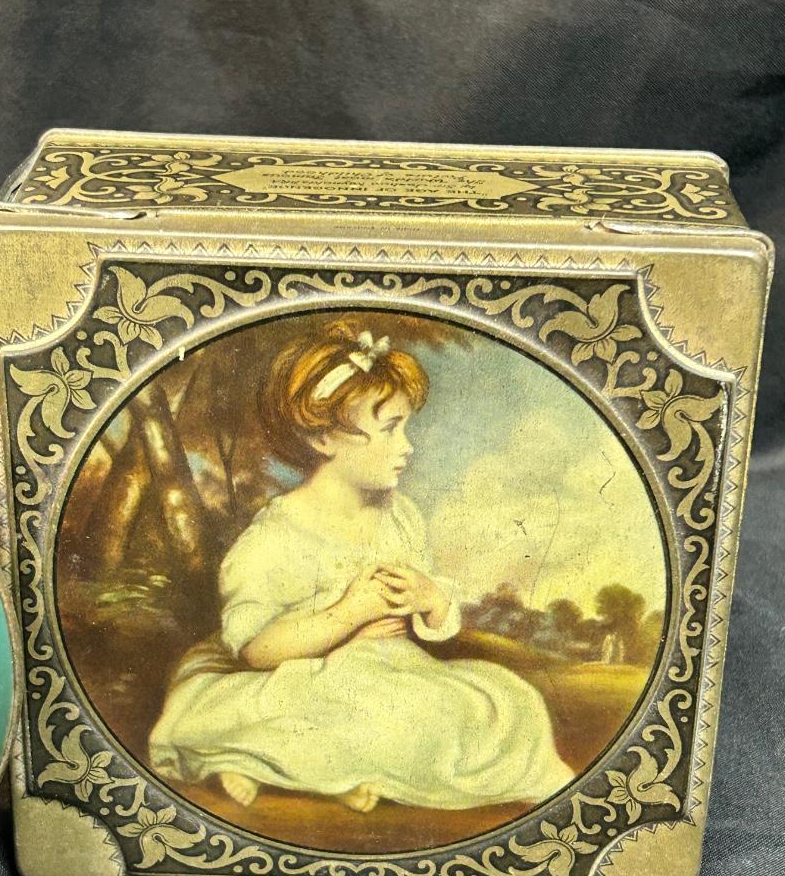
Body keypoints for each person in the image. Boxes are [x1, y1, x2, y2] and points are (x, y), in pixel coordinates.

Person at [148, 321, 574, 813]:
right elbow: (257, 650)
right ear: (324, 438)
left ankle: (317, 770)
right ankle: (265, 761)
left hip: (391, 672)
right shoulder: (275, 537)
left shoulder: (401, 516)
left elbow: (429, 612)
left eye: (405, 427)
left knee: (512, 702)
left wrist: (430, 599)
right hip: (302, 679)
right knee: (381, 720)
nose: (407, 446)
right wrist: (348, 614)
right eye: (390, 429)